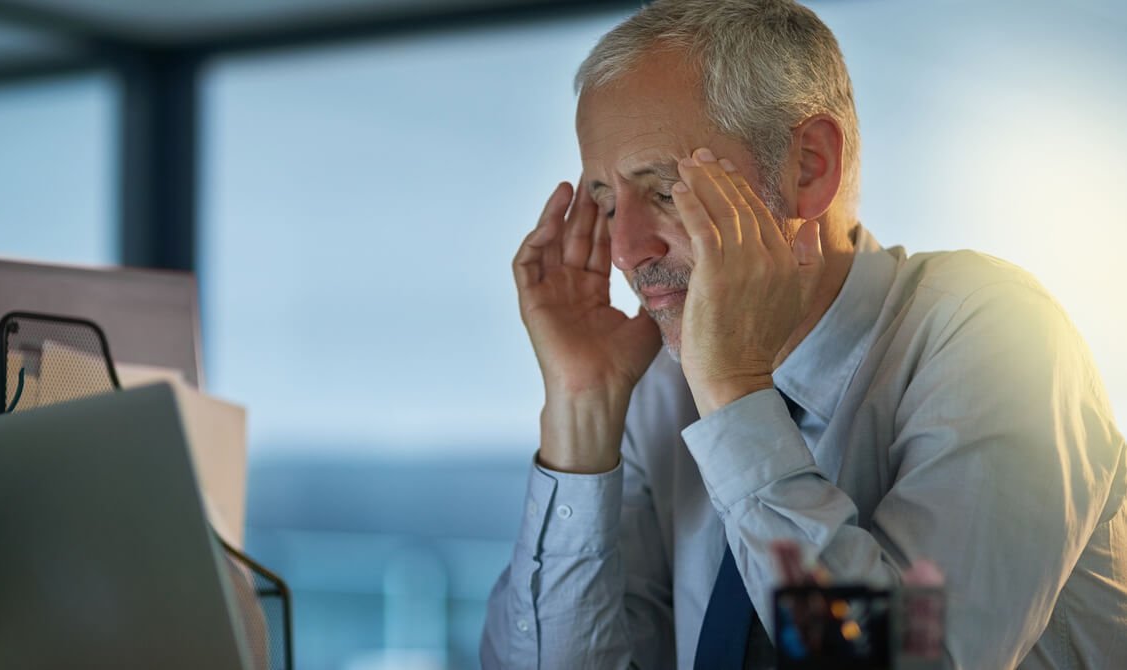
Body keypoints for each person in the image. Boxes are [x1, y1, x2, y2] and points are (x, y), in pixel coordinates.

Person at [480, 0, 1127, 668]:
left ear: (809, 166)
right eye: (608, 205)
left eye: (666, 190)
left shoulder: (996, 335)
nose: (624, 249)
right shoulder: (659, 393)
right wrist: (581, 406)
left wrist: (737, 399)